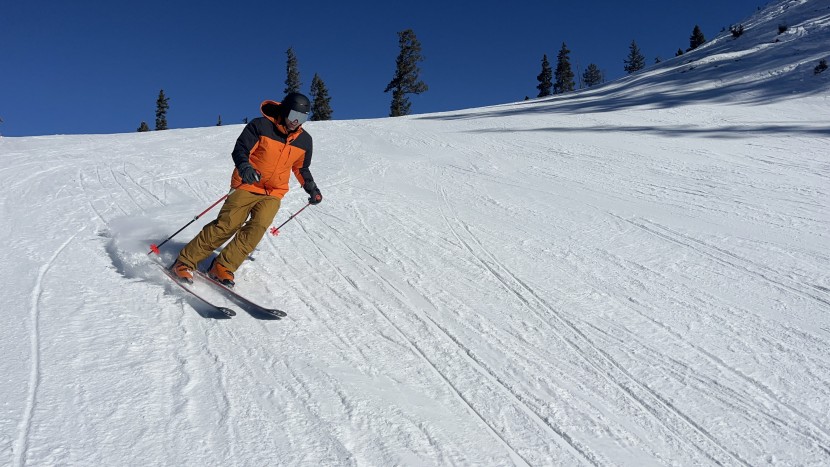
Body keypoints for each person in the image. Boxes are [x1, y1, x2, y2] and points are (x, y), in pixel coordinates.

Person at [171, 92, 322, 287]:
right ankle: (185, 261)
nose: (296, 121)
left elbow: (301, 168)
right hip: (247, 184)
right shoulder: (261, 126)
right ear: (285, 110)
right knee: (227, 225)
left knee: (257, 228)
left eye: (302, 117)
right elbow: (240, 150)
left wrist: (312, 189)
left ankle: (223, 266)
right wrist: (245, 167)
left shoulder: (304, 140)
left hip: (273, 192)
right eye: (294, 115)